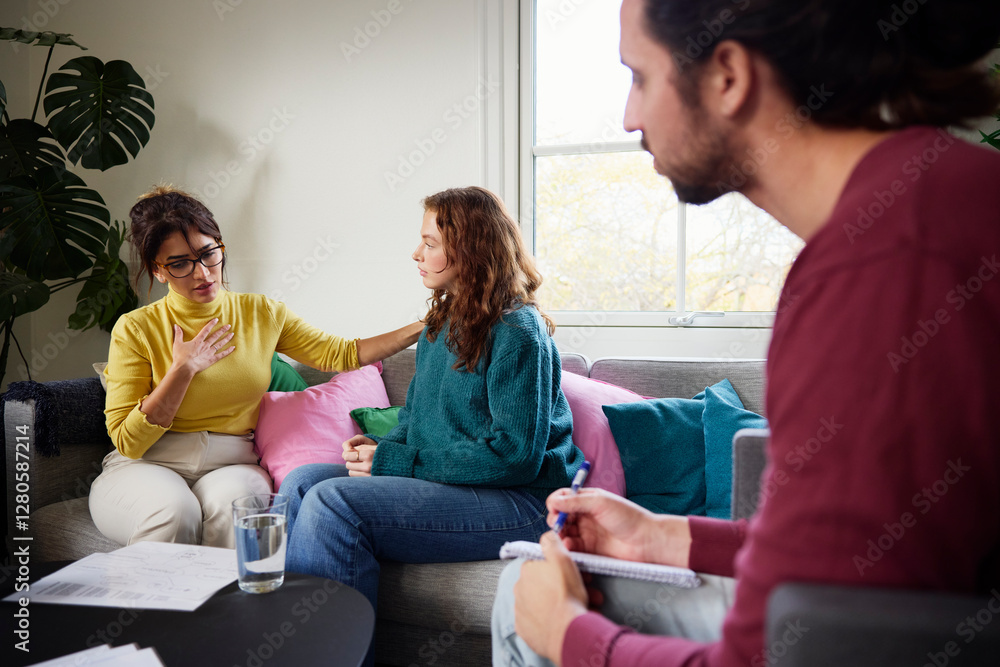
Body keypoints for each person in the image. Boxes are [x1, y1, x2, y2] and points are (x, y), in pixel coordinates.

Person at [493, 0, 1000, 665]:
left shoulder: (882, 270)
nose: (628, 117)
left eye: (639, 77)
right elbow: (859, 569)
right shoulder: (938, 197)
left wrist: (567, 635)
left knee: (521, 596)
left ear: (728, 76)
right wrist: (664, 537)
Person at [281, 185, 585, 665]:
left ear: (469, 250)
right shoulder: (440, 325)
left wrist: (395, 461)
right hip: (459, 485)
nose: (416, 253)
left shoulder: (517, 332)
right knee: (301, 483)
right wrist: (378, 447)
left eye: (430, 243)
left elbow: (514, 456)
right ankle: (292, 649)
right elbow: (418, 419)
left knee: (335, 503)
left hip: (522, 501)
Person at [91, 186, 423, 548]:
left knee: (239, 511)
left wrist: (423, 325)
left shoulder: (261, 313)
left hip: (232, 464)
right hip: (149, 464)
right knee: (175, 512)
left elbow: (341, 354)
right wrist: (182, 370)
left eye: (208, 254)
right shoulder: (136, 328)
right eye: (181, 263)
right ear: (159, 271)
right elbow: (129, 442)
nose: (203, 273)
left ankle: (230, 590)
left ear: (220, 247)